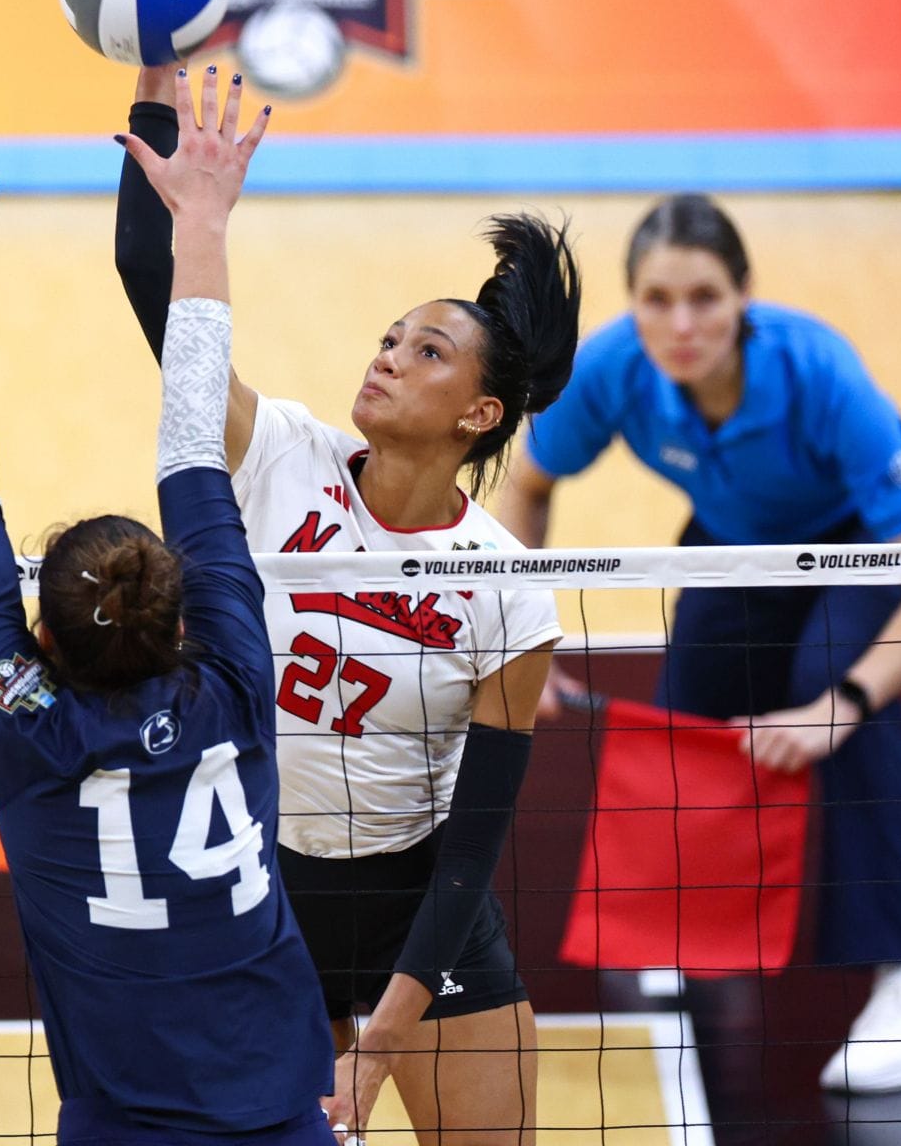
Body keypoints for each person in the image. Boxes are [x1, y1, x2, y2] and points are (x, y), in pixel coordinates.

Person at [113, 64, 579, 1143]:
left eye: (427, 351)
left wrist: (388, 1029)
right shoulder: (281, 452)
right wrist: (154, 98)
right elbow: (153, 285)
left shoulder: (508, 585)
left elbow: (473, 842)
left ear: (480, 409)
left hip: (423, 905)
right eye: (388, 336)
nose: (388, 356)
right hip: (264, 886)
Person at [0, 84, 336, 1143]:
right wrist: (203, 223)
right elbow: (194, 438)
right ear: (184, 614)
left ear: (39, 640)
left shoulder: (23, 721)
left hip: (123, 1121)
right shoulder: (234, 675)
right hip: (284, 1113)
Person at [498, 192, 901, 1100]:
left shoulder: (816, 371)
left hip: (886, 530)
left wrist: (844, 706)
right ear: (632, 301)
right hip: (743, 541)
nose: (682, 324)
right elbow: (526, 485)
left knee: (829, 680)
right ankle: (686, 934)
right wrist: (524, 633)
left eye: (706, 298)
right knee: (687, 717)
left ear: (744, 295)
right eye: (658, 299)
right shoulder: (610, 369)